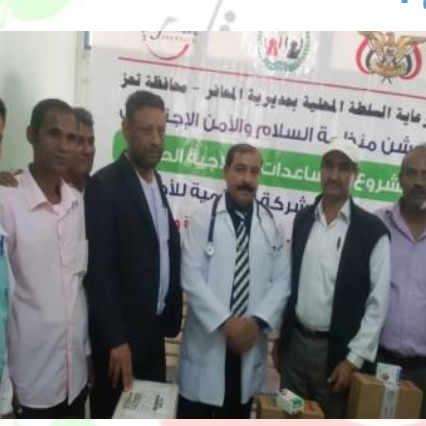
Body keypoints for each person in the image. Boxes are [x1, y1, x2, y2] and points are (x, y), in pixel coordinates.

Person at [276, 138, 391, 418]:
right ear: (320, 169)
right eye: (329, 165)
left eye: (343, 168)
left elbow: (378, 305)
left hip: (337, 356)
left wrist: (353, 361)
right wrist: (281, 338)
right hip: (295, 349)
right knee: (289, 417)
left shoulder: (373, 231)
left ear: (355, 175)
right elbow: (289, 285)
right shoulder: (303, 220)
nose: (334, 175)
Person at [84, 90, 182, 418]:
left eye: (161, 130)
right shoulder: (105, 185)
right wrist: (115, 340)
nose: (155, 140)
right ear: (126, 130)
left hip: (153, 335)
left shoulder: (157, 182)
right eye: (146, 130)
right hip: (121, 342)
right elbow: (100, 272)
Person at [177, 143, 291, 418]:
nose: (247, 179)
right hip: (209, 343)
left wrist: (257, 323)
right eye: (240, 169)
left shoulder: (270, 224)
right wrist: (226, 323)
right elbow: (191, 278)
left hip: (248, 345)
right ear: (226, 171)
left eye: (254, 172)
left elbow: (282, 281)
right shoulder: (203, 219)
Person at [0, 99, 90, 418]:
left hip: (74, 380)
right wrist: (3, 391)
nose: (64, 146)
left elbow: (77, 286)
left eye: (71, 138)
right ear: (31, 135)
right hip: (28, 385)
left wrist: (86, 353)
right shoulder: (7, 202)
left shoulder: (76, 203)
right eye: (54, 134)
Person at [376, 144, 426, 418]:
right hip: (377, 362)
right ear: (399, 178)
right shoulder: (376, 224)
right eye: (411, 173)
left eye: (425, 174)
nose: (418, 182)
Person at [0, 106, 95, 192]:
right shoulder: (14, 189)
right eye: (79, 141)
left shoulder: (100, 189)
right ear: (32, 135)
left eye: (91, 141)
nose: (87, 150)